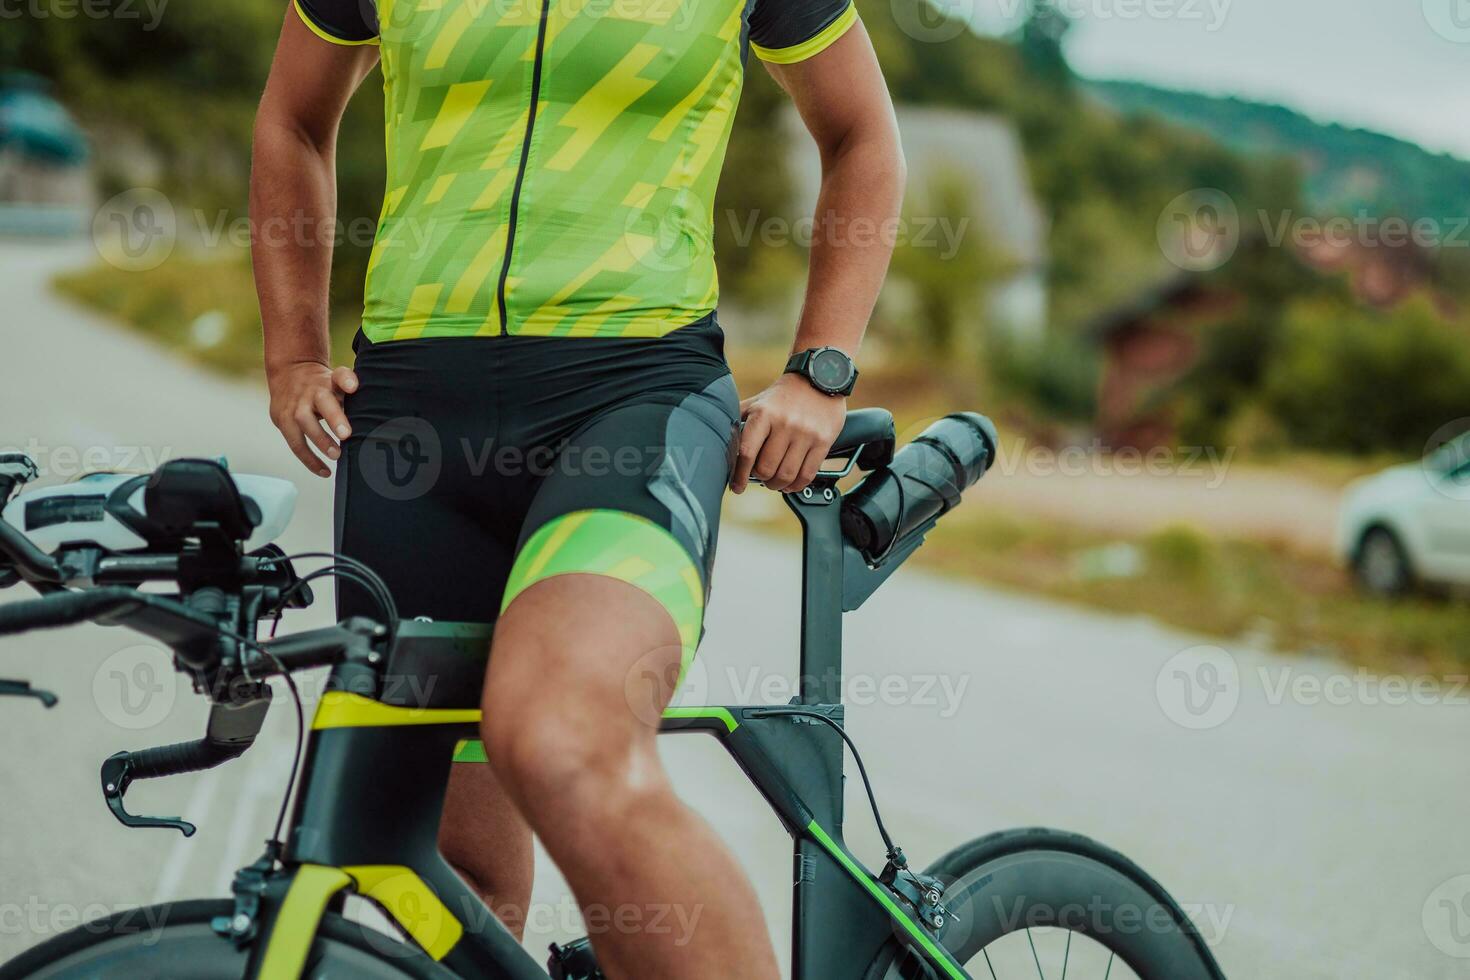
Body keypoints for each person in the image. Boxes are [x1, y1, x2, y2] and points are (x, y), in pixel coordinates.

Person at [251, 0, 903, 974]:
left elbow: (861, 133)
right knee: (448, 863)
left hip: (628, 400)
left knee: (562, 734)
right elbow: (292, 119)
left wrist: (821, 368)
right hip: (414, 431)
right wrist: (292, 352)